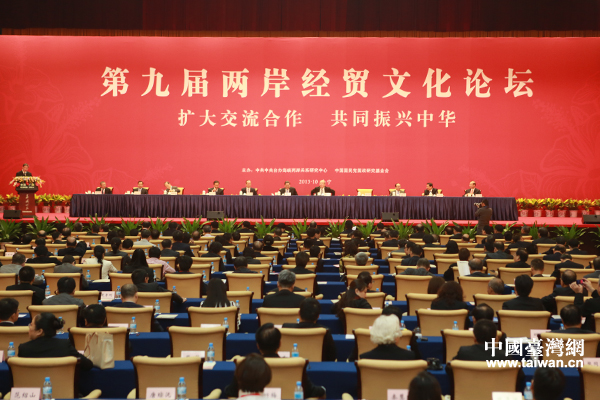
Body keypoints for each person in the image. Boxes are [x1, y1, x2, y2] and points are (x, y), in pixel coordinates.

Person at [223, 324, 325, 398]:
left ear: (258, 346)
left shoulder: (246, 366)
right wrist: (323, 390)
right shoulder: (294, 365)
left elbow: (230, 392)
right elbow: (313, 391)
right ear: (280, 344)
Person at [18, 313, 93, 370]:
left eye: (31, 325)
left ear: (39, 331)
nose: (29, 328)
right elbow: (88, 365)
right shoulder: (64, 345)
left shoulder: (24, 349)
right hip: (62, 385)